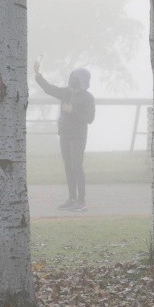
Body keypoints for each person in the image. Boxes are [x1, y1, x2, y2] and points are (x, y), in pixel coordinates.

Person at [33, 61, 95, 211]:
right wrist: (38, 74)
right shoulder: (66, 92)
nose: (72, 80)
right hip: (64, 134)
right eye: (72, 77)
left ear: (82, 80)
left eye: (75, 78)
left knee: (77, 166)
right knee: (68, 166)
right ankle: (72, 198)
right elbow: (49, 89)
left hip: (78, 136)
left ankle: (81, 201)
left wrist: (71, 111)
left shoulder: (88, 97)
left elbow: (89, 119)